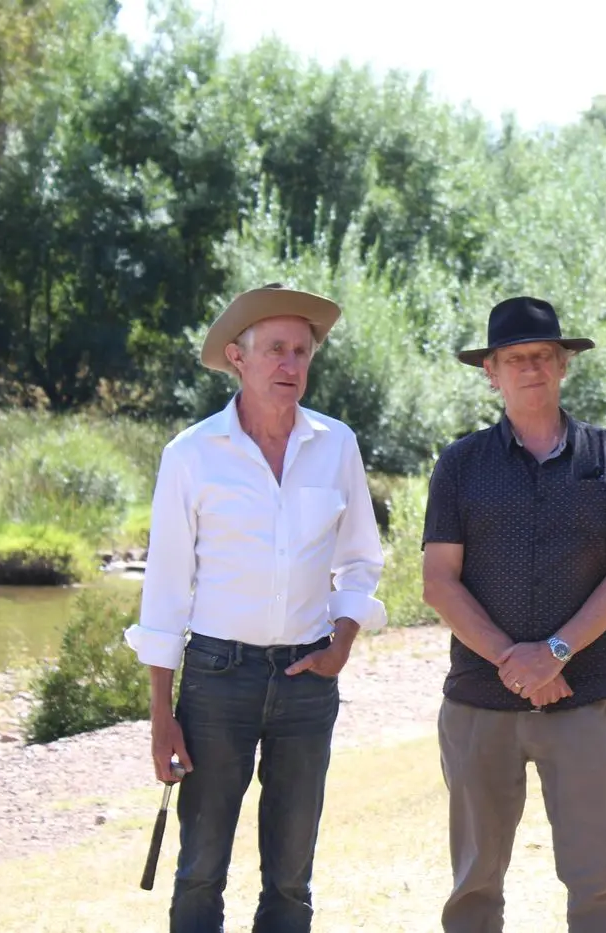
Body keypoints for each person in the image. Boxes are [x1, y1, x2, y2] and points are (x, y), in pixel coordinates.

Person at [125, 283, 387, 933]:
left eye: (301, 352)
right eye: (275, 349)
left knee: (292, 880)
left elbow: (360, 559)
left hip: (307, 684)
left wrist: (341, 641)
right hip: (215, 682)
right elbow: (163, 591)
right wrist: (162, 714)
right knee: (200, 870)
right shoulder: (190, 455)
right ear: (237, 358)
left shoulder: (337, 445)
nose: (290, 365)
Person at [421, 296, 606, 933]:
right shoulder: (459, 465)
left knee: (599, 878)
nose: (530, 368)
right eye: (514, 358)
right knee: (474, 883)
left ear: (563, 366)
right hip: (480, 698)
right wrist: (515, 661)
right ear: (491, 372)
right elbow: (439, 583)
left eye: (542, 356)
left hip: (581, 695)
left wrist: (553, 654)